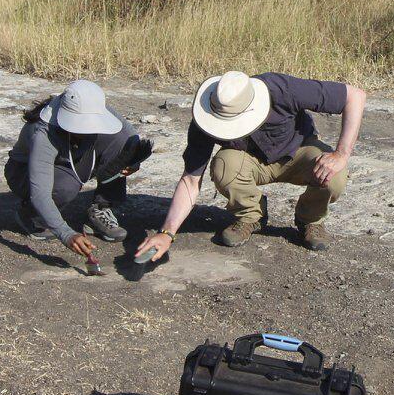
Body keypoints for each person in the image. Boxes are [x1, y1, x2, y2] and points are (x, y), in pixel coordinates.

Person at [134, 70, 365, 261]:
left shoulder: (281, 88)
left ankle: (310, 220)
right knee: (224, 165)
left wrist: (341, 154)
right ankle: (250, 216)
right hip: (250, 162)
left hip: (298, 154)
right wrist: (166, 233)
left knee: (335, 174)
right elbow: (191, 179)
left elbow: (355, 96)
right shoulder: (207, 113)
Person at [4, 79, 149, 261]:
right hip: (23, 173)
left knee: (121, 143)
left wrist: (131, 161)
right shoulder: (43, 133)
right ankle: (32, 216)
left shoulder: (93, 106)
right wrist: (66, 234)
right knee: (65, 187)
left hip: (71, 157)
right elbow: (40, 194)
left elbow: (129, 138)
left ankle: (100, 208)